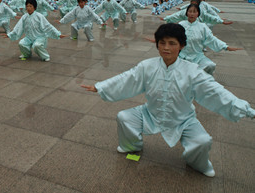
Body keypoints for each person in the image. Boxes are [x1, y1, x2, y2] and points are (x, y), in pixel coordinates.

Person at [81, 23, 254, 178]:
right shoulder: (147, 66)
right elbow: (127, 78)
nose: (166, 48)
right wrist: (101, 86)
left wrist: (247, 110)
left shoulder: (193, 71)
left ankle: (197, 163)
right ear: (157, 44)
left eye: (172, 43)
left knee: (203, 141)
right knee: (124, 117)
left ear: (181, 46)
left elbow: (217, 92)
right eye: (162, 43)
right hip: (150, 114)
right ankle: (131, 145)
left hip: (183, 119)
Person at [178, 4, 241, 74]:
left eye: (194, 12)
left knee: (210, 65)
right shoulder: (181, 25)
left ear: (198, 14)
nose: (192, 14)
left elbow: (211, 39)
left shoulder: (202, 27)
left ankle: (202, 81)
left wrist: (225, 47)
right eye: (190, 11)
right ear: (187, 13)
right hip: (182, 56)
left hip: (197, 56)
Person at [2, 0, 66, 61]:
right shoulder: (24, 16)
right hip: (29, 37)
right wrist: (10, 34)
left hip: (39, 37)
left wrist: (58, 34)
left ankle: (45, 56)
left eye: (30, 6)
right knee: (21, 43)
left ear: (34, 7)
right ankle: (27, 54)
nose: (28, 8)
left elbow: (48, 26)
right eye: (27, 6)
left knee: (36, 45)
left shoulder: (39, 16)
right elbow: (18, 27)